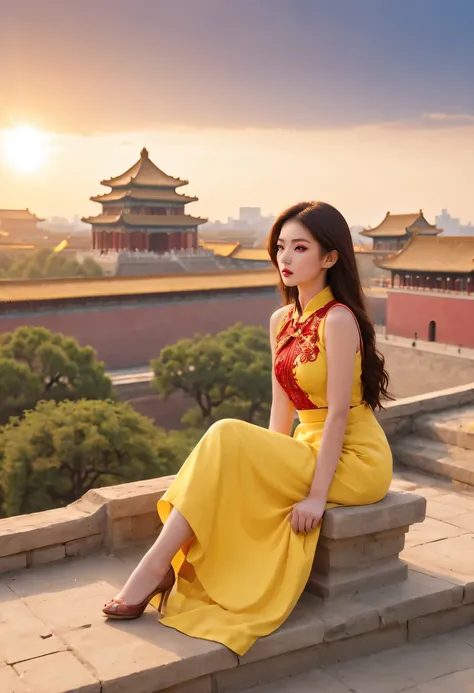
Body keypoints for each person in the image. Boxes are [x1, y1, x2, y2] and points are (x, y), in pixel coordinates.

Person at [102, 201, 393, 656]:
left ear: (330, 257)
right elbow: (281, 410)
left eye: (300, 248)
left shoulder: (338, 319)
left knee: (224, 433)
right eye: (281, 247)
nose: (286, 258)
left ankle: (155, 566)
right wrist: (265, 466)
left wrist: (316, 496)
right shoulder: (281, 321)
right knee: (233, 447)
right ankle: (159, 566)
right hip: (305, 447)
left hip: (355, 458)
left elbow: (336, 415)